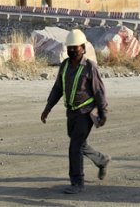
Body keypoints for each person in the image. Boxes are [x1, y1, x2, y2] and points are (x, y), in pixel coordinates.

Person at [40, 29, 111, 195]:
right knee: (79, 144)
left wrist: (104, 112)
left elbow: (99, 91)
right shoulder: (64, 65)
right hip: (71, 113)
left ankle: (77, 182)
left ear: (83, 48)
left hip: (86, 113)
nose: (72, 50)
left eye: (76, 47)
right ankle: (102, 160)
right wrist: (47, 108)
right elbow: (58, 88)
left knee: (75, 147)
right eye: (70, 47)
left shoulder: (90, 67)